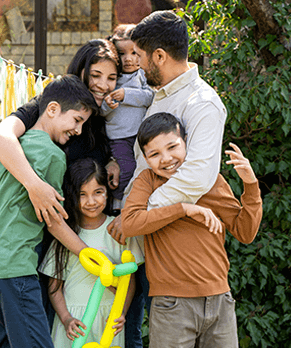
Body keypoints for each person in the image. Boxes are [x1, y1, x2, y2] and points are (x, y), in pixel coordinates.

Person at [107, 11, 228, 348]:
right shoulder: (162, 95)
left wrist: (139, 213)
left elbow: (197, 175)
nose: (138, 66)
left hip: (182, 254)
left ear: (159, 56)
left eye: (142, 57)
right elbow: (147, 165)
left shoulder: (201, 103)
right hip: (149, 242)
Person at [0, 39, 122, 330]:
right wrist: (34, 185)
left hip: (85, 230)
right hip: (49, 233)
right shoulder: (50, 107)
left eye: (112, 77)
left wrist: (110, 159)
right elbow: (1, 137)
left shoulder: (96, 117)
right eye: (96, 75)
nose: (103, 84)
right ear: (81, 72)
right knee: (43, 323)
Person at [0, 75, 99, 348]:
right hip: (13, 267)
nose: (78, 130)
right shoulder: (53, 155)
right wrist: (88, 253)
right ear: (52, 109)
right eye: (77, 120)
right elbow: (53, 222)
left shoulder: (18, 145)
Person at [121, 112, 263, 347]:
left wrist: (250, 184)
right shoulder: (148, 180)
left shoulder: (210, 180)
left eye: (172, 147)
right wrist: (184, 209)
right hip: (172, 304)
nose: (166, 159)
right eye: (154, 154)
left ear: (186, 143)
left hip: (219, 299)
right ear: (145, 158)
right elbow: (130, 223)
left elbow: (245, 232)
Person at [39, 158, 144, 347]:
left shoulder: (117, 231)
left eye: (98, 192)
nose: (91, 201)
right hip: (74, 322)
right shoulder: (66, 235)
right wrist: (65, 319)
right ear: (72, 196)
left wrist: (121, 312)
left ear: (107, 192)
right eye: (82, 194)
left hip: (108, 320)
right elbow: (54, 287)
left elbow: (130, 281)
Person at [103, 24, 154, 204]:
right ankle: (118, 206)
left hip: (140, 136)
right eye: (122, 54)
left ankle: (134, 206)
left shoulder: (142, 75)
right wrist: (108, 105)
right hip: (118, 137)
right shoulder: (112, 77)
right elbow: (101, 110)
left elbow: (150, 97)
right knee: (126, 169)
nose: (128, 59)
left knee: (142, 171)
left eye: (133, 53)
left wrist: (127, 94)